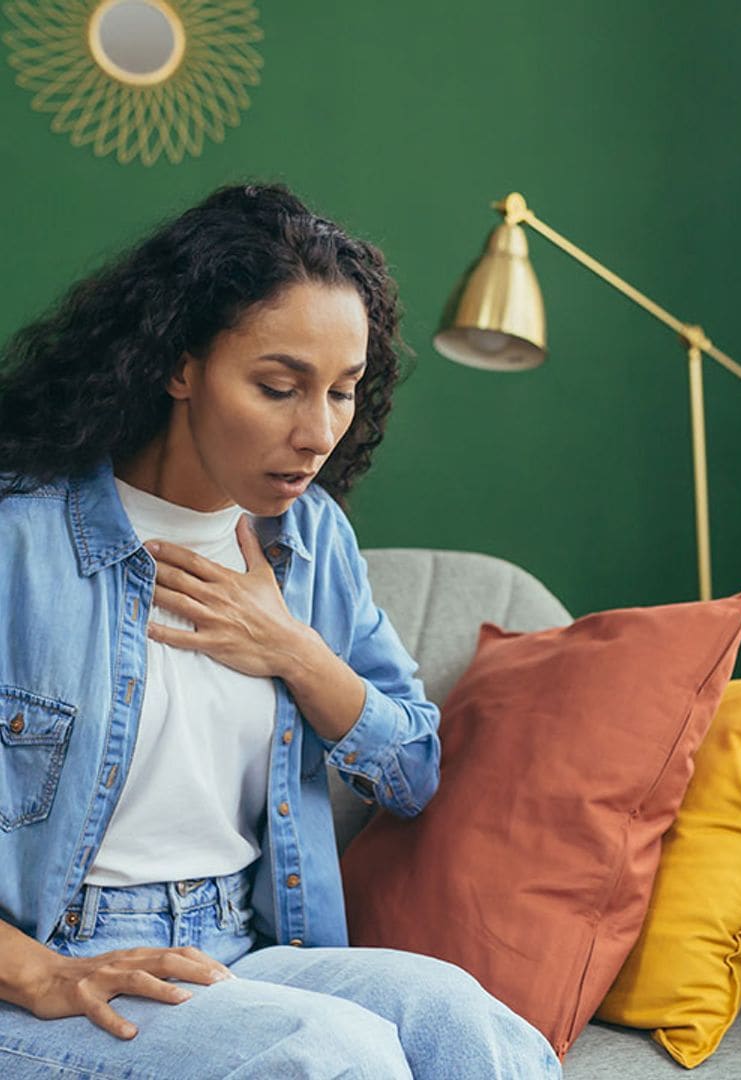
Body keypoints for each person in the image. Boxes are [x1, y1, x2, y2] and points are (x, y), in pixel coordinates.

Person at [0, 182, 562, 1079]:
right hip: (51, 967)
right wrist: (41, 972)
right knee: (336, 1055)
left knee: (469, 1026)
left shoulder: (310, 539)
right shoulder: (20, 540)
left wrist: (292, 651)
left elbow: (412, 770)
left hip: (242, 944)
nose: (318, 434)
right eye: (278, 386)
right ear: (178, 365)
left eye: (343, 392)